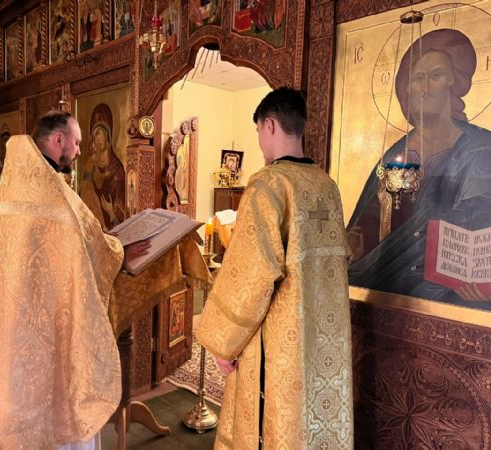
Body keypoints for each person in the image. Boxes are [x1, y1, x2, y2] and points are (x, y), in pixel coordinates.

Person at [0, 111, 149, 449]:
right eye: (77, 142)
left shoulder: (14, 183)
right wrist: (119, 252)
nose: (80, 150)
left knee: (19, 386)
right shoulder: (52, 190)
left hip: (13, 316)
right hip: (47, 316)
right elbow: (87, 244)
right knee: (58, 391)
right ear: (58, 140)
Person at [196, 88, 353, 449]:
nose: (260, 142)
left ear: (269, 125)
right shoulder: (326, 186)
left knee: (273, 428)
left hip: (280, 340)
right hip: (322, 339)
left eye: (258, 132)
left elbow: (252, 275)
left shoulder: (268, 184)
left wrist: (224, 342)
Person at [347, 29, 491, 306]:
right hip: (388, 287)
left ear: (453, 81)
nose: (425, 89)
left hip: (454, 294)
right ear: (407, 88)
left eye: (435, 76)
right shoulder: (395, 155)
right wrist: (352, 242)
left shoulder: (481, 148)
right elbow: (370, 221)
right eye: (417, 79)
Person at [80, 104, 126, 229]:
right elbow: (83, 196)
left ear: (107, 135)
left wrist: (111, 212)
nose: (96, 138)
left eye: (98, 133)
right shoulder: (90, 166)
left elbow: (123, 211)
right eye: (94, 135)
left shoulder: (117, 169)